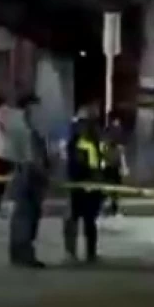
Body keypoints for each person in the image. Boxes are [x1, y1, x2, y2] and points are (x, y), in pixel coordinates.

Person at [7, 93, 51, 269]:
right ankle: (23, 254)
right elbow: (34, 159)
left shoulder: (24, 129)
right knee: (26, 217)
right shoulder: (26, 131)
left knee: (24, 217)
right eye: (36, 107)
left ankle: (18, 253)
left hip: (26, 178)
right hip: (29, 179)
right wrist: (44, 173)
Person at [63, 108, 106, 264]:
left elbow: (98, 163)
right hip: (78, 186)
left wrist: (99, 182)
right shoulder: (74, 143)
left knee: (90, 221)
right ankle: (70, 252)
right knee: (72, 220)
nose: (85, 127)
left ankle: (91, 253)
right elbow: (74, 165)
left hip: (92, 187)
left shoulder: (94, 141)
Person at [101, 112, 128, 218]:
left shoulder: (108, 132)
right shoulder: (113, 132)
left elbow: (120, 151)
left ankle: (110, 209)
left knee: (111, 188)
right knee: (112, 188)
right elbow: (120, 150)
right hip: (112, 164)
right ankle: (111, 209)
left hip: (111, 164)